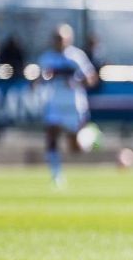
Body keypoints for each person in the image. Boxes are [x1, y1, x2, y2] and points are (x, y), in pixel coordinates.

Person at [37, 24, 100, 187]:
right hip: (55, 104)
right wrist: (39, 80)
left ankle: (92, 137)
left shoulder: (76, 56)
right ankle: (56, 175)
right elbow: (40, 78)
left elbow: (92, 78)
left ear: (69, 39)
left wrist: (77, 81)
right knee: (51, 135)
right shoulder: (47, 58)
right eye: (56, 38)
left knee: (75, 148)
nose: (59, 42)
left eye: (62, 38)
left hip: (74, 105)